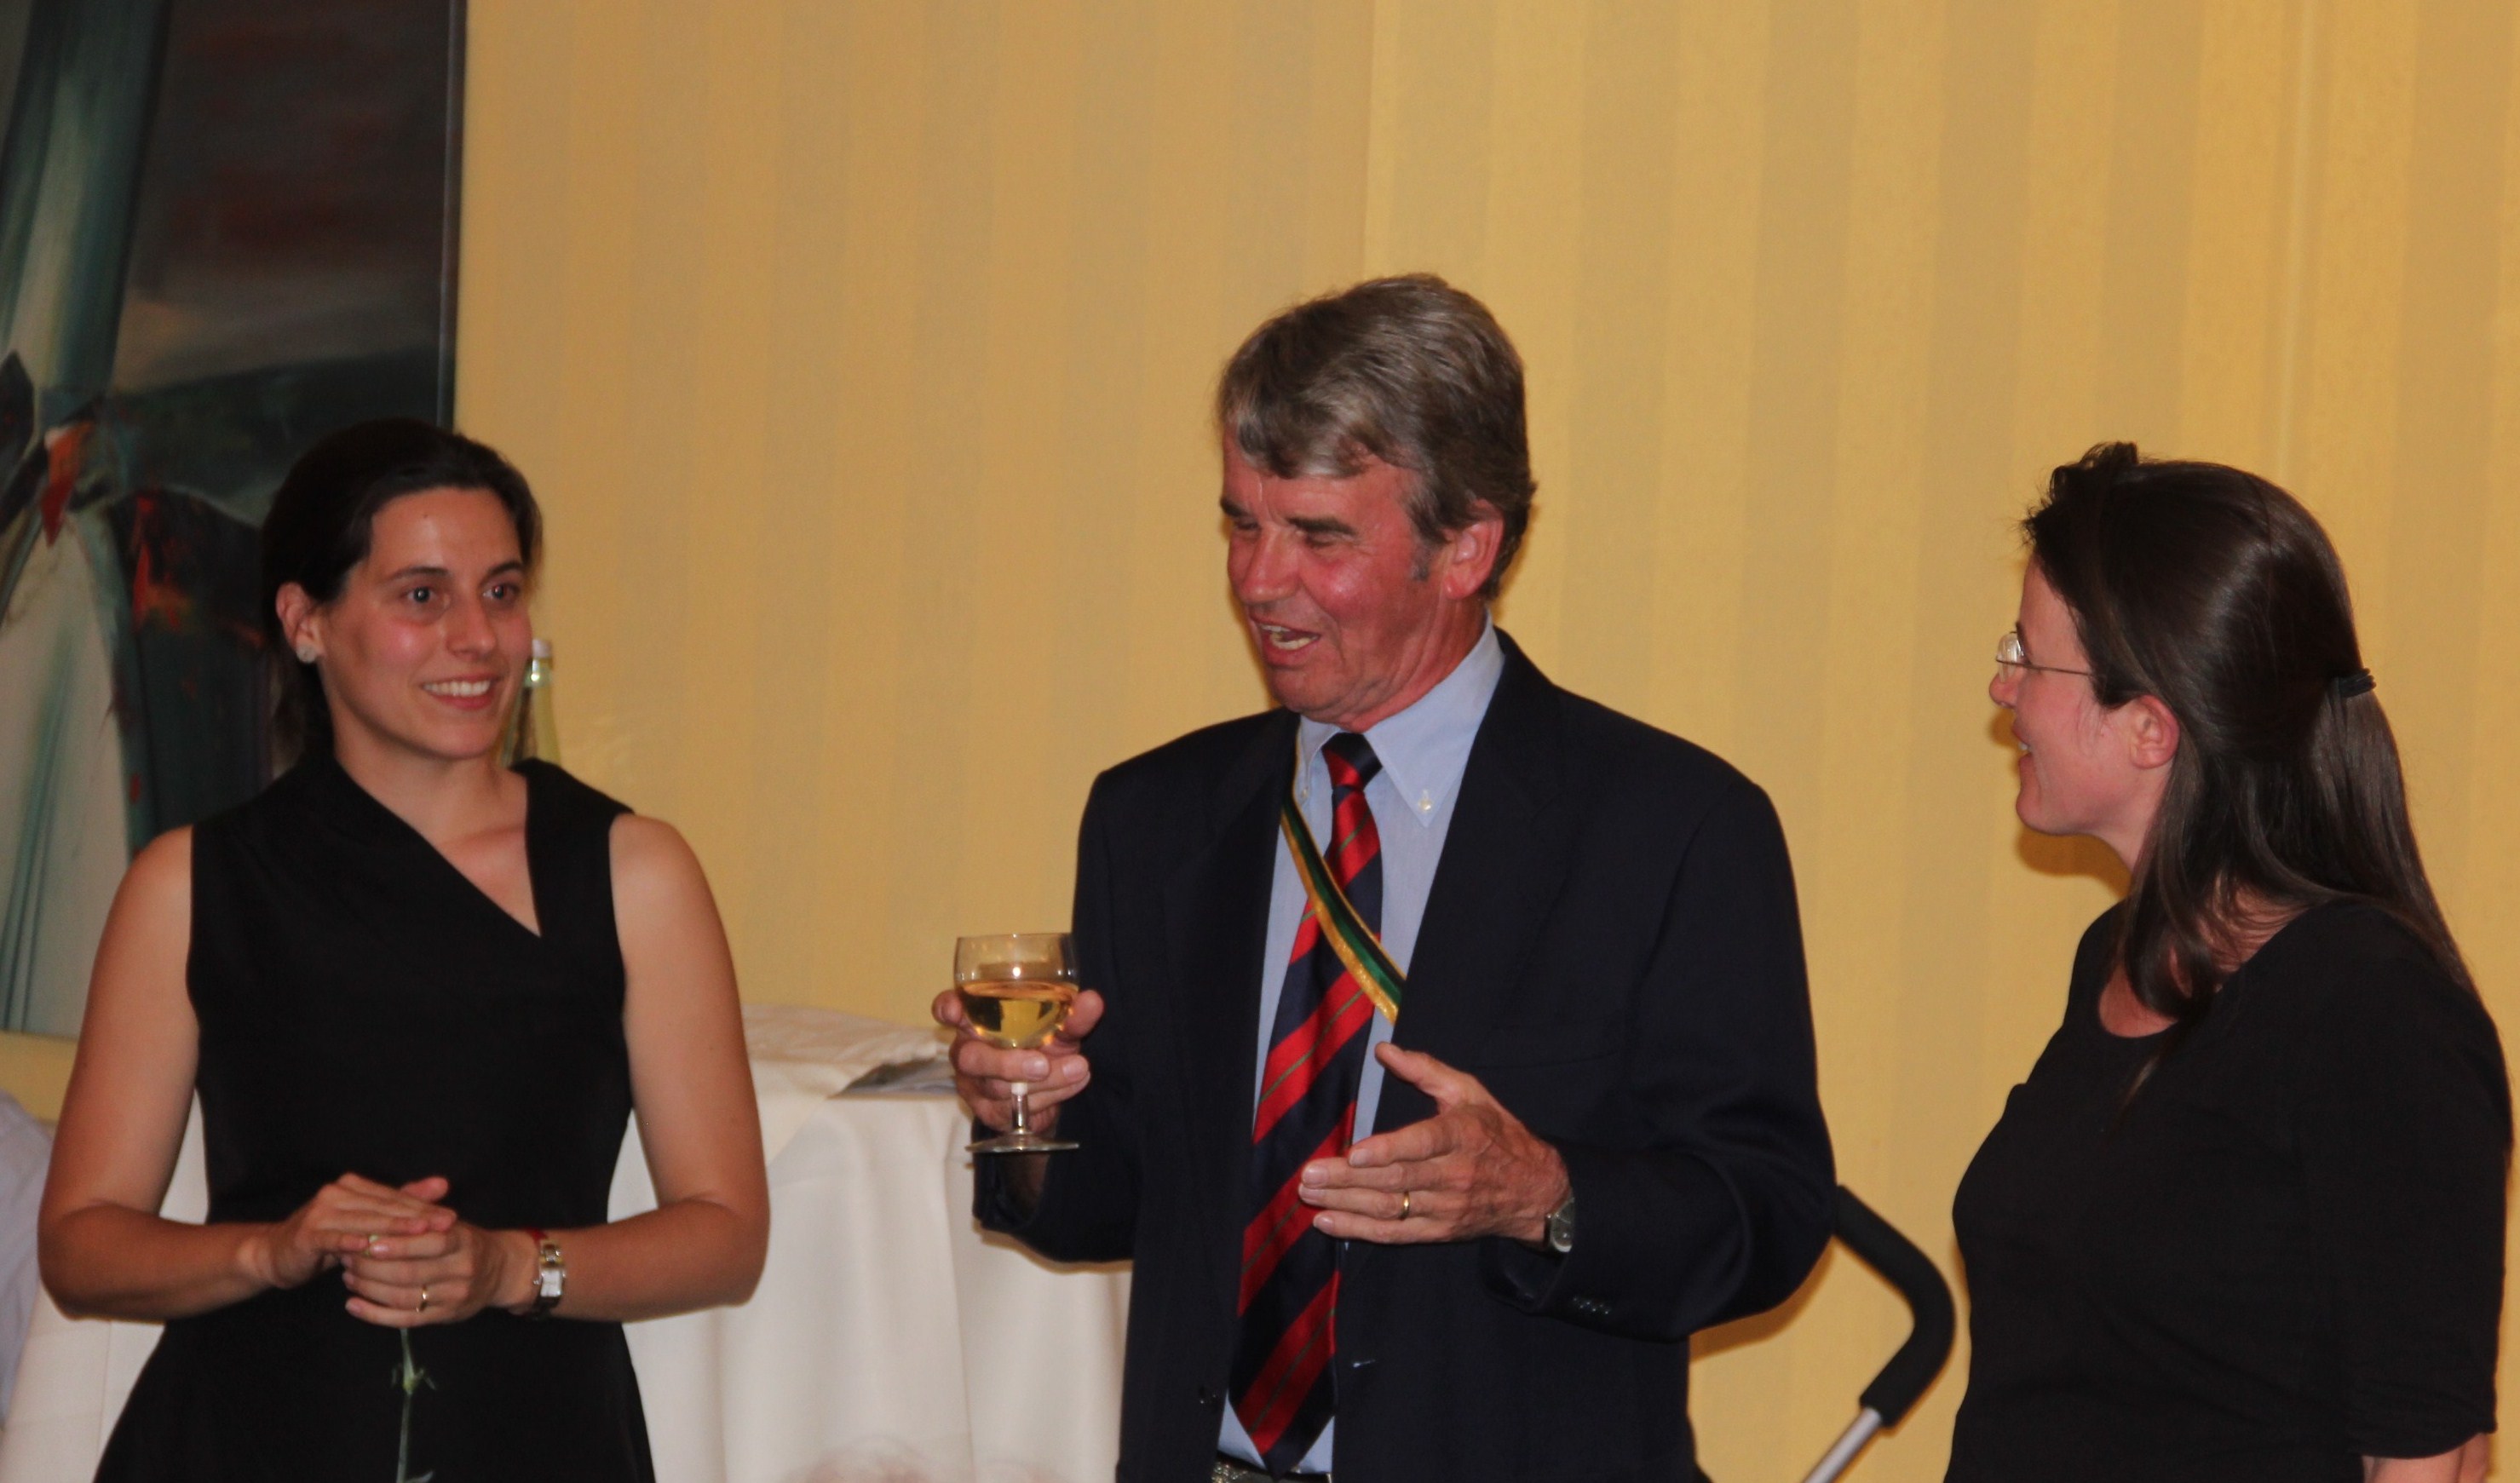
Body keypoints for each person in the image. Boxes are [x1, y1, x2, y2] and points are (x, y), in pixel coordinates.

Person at [937, 274, 1833, 1483]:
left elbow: (1765, 1216)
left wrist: (1545, 1193)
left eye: (1318, 537)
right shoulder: (1155, 819)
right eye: (1241, 524)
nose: (1259, 580)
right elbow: (1119, 1198)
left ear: (1466, 545)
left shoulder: (1670, 829)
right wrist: (1029, 1122)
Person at [38, 419, 769, 1481]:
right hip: (245, 1436)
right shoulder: (189, 884)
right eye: (422, 595)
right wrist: (268, 1249)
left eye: (502, 591)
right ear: (305, 621)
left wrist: (510, 1267)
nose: (478, 637)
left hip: (535, 1436)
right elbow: (80, 1245)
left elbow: (726, 1234)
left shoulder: (632, 872)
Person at [1951, 444, 2509, 1483]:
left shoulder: (2372, 1006)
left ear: (2150, 727)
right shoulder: (2115, 956)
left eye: (2028, 656)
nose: (2002, 685)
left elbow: (2434, 1449)